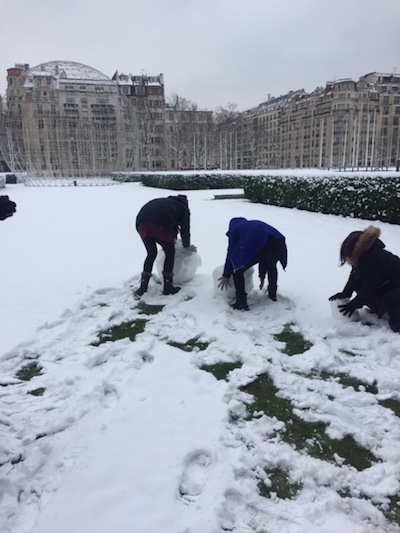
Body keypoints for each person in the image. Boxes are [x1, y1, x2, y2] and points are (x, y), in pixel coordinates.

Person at [329, 225, 400, 332]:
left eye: (348, 257)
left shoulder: (373, 259)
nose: (347, 261)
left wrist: (353, 305)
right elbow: (355, 276)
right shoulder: (362, 256)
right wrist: (345, 293)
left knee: (390, 299)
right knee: (360, 287)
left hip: (396, 288)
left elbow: (369, 288)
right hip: (388, 285)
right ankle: (382, 310)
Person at [218, 217, 287, 310]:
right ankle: (272, 294)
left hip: (267, 242)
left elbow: (231, 253)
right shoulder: (250, 226)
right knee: (271, 265)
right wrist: (262, 276)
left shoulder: (235, 230)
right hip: (278, 242)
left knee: (238, 270)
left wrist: (226, 275)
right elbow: (263, 255)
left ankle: (241, 302)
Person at [134, 194, 196, 298]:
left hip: (142, 223)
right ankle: (168, 287)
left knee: (151, 253)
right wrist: (187, 246)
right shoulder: (183, 208)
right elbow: (185, 229)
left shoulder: (166, 202)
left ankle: (143, 287)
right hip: (160, 224)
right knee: (170, 253)